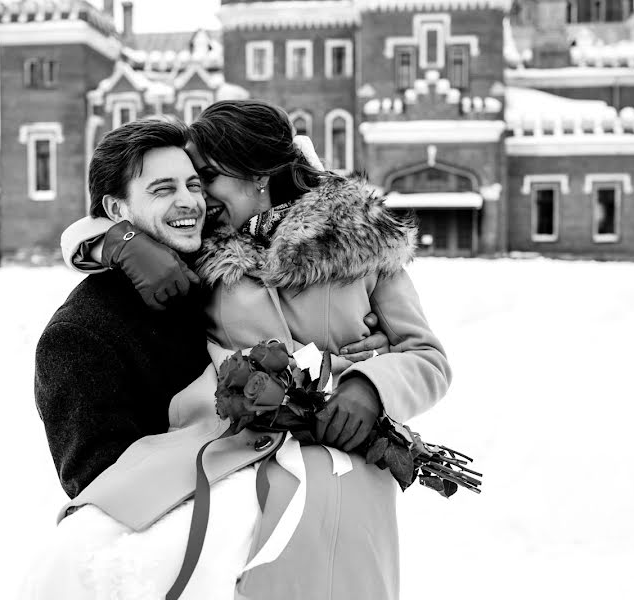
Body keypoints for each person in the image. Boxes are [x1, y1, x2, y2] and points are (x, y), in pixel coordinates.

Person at [48, 100, 453, 600]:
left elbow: (427, 357)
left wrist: (370, 385)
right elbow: (101, 222)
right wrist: (121, 241)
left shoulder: (360, 239)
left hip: (346, 456)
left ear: (255, 172)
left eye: (206, 177)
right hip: (237, 450)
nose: (198, 195)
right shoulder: (209, 247)